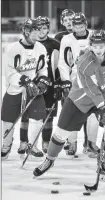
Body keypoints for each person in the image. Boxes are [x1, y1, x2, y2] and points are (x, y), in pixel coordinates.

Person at [33, 29, 105, 181]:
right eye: (95, 46)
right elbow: (91, 90)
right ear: (91, 46)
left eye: (101, 46)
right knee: (61, 132)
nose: (98, 49)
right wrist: (103, 110)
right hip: (80, 99)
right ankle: (49, 160)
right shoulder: (85, 62)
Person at [1, 19, 51, 160]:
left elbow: (42, 69)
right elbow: (9, 72)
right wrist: (24, 80)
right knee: (8, 118)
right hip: (15, 87)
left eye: (41, 29)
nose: (40, 32)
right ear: (27, 31)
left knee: (38, 116)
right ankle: (6, 144)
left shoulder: (40, 48)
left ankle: (32, 145)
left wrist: (43, 81)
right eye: (36, 30)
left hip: (32, 87)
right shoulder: (13, 48)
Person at [57, 12, 94, 156]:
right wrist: (66, 81)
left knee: (91, 113)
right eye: (76, 25)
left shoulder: (94, 36)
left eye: (81, 25)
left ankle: (91, 143)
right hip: (74, 80)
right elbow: (63, 62)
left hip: (92, 79)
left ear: (85, 24)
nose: (79, 28)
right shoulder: (66, 39)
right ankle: (72, 142)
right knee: (72, 111)